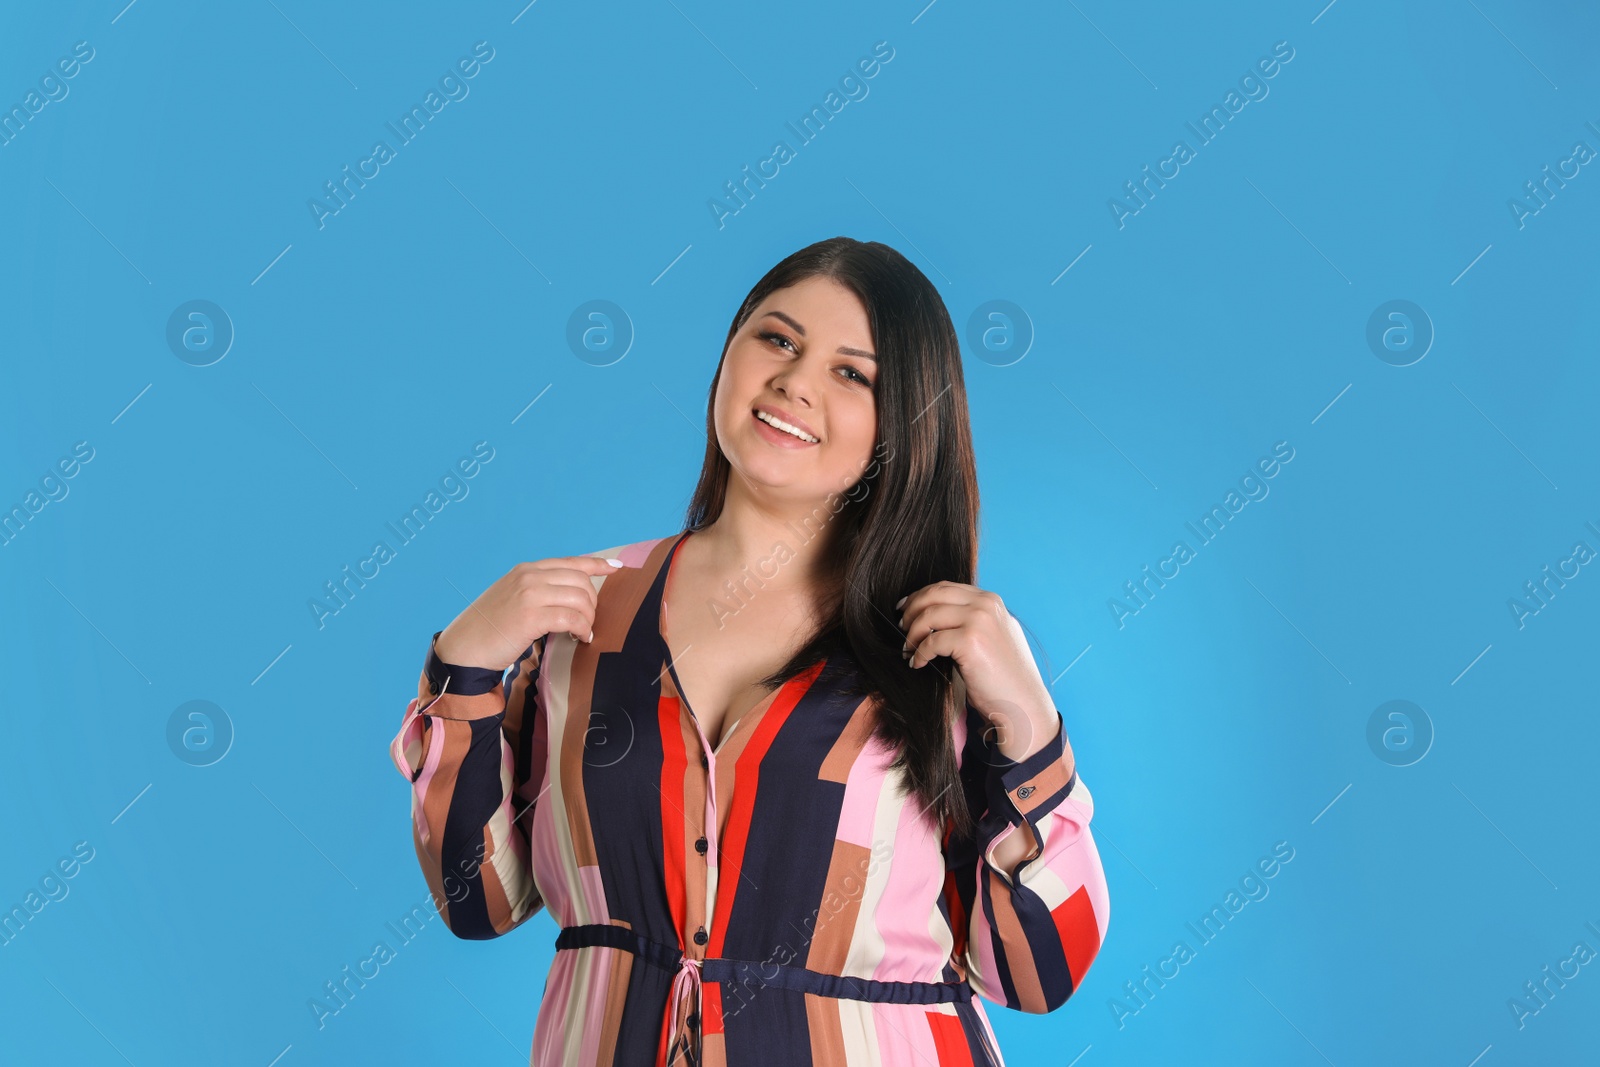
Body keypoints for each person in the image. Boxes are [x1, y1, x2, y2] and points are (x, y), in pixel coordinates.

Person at [388, 236, 1110, 1065]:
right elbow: (477, 898)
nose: (795, 383)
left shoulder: (945, 657)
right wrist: (463, 671)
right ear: (727, 354)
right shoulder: (581, 615)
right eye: (778, 338)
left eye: (852, 373)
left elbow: (1039, 971)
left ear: (900, 425)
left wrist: (1026, 723)